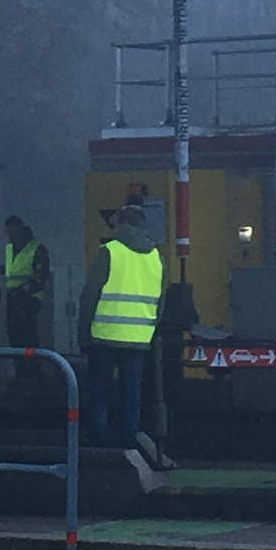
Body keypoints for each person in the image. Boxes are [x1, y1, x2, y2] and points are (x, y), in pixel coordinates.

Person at [82, 197, 167, 467]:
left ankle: (98, 446)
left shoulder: (109, 251)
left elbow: (90, 296)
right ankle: (128, 445)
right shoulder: (157, 257)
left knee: (99, 392)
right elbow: (161, 302)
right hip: (139, 339)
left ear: (123, 224)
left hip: (104, 336)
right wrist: (150, 332)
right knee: (132, 394)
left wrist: (83, 333)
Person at [0, 214, 53, 352]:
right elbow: (14, 270)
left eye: (12, 231)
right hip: (12, 299)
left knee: (28, 338)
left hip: (30, 300)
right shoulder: (9, 248)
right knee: (14, 337)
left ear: (20, 229)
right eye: (7, 232)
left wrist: (21, 291)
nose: (9, 235)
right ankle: (20, 370)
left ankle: (31, 371)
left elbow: (41, 278)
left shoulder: (37, 249)